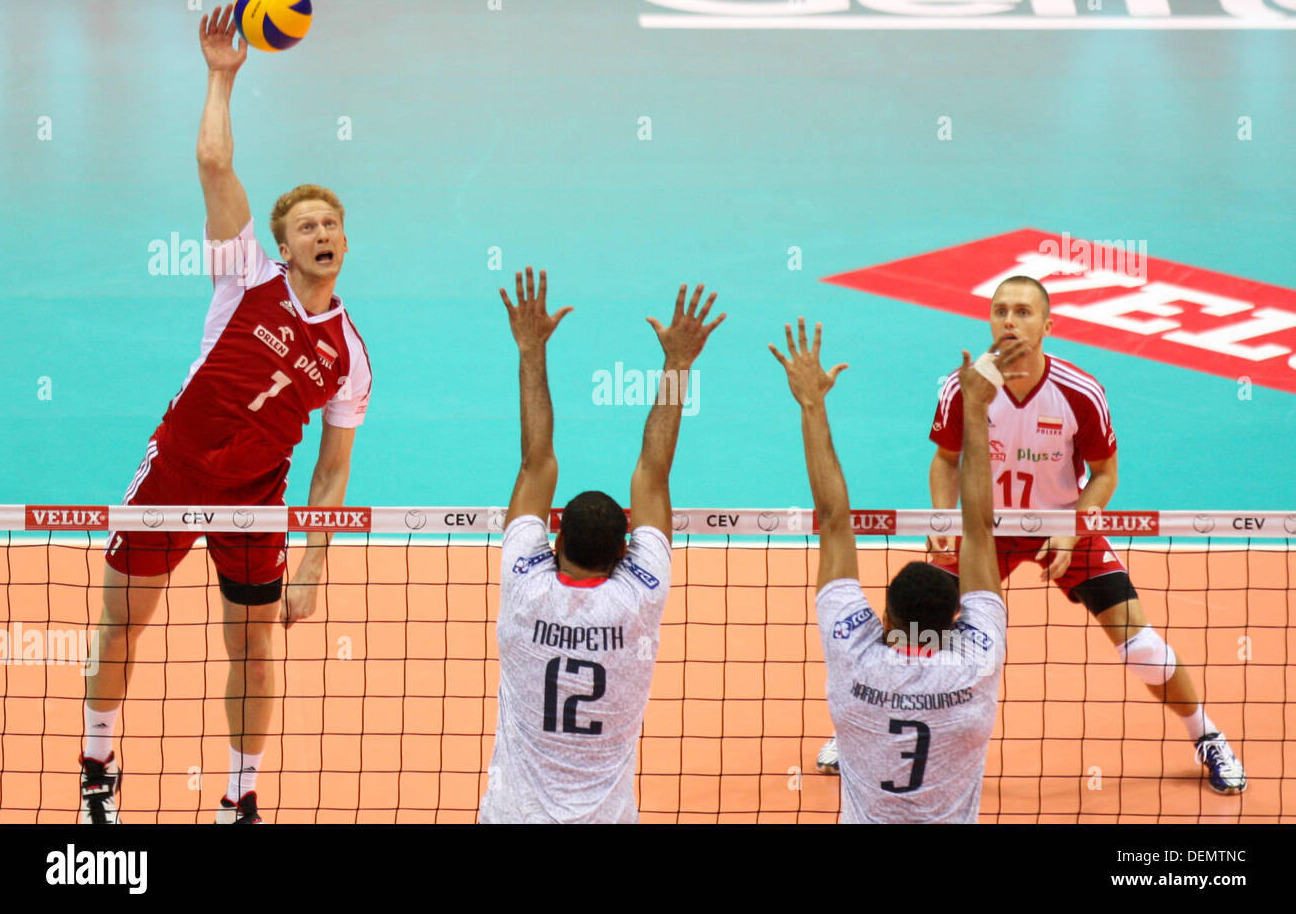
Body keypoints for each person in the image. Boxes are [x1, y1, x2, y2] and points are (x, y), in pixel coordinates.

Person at [79, 6, 373, 824]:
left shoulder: (350, 356)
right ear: (279, 243)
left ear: (344, 244)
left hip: (255, 500)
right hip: (172, 476)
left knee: (251, 648)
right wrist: (221, 75)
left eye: (331, 224)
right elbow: (214, 163)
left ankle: (240, 799)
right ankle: (98, 769)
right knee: (120, 627)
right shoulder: (244, 278)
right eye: (306, 225)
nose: (322, 232)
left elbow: (334, 468)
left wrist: (315, 565)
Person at [819, 275, 1245, 795]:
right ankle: (858, 730)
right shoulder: (964, 387)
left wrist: (1074, 526)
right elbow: (946, 461)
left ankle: (1206, 735)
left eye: (1022, 312)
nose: (1009, 321)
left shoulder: (1079, 392)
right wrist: (942, 520)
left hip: (1062, 522)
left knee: (1142, 647)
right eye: (1000, 310)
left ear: (1047, 324)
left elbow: (1105, 473)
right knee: (912, 631)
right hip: (980, 530)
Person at [479, 270, 723, 823]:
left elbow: (536, 460)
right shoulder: (639, 597)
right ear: (624, 553)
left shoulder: (525, 582)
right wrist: (678, 364)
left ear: (554, 538)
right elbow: (653, 474)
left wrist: (531, 350)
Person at [774, 319, 1022, 822]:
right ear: (956, 622)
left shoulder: (855, 655)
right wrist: (975, 409)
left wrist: (812, 404)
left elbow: (834, 522)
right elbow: (979, 530)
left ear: (885, 619)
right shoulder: (976, 662)